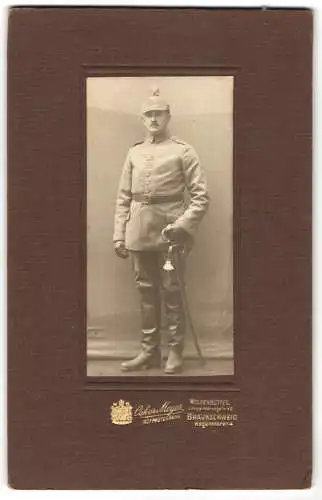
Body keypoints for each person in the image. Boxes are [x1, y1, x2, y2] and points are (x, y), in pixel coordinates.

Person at [113, 88, 209, 374]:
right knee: (145, 293)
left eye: (159, 114)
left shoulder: (183, 150)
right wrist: (120, 233)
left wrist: (181, 227)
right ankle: (148, 352)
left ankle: (175, 352)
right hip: (138, 229)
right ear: (142, 119)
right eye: (149, 115)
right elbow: (123, 196)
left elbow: (201, 196)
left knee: (171, 290)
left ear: (168, 116)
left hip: (171, 231)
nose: (154, 119)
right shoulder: (134, 152)